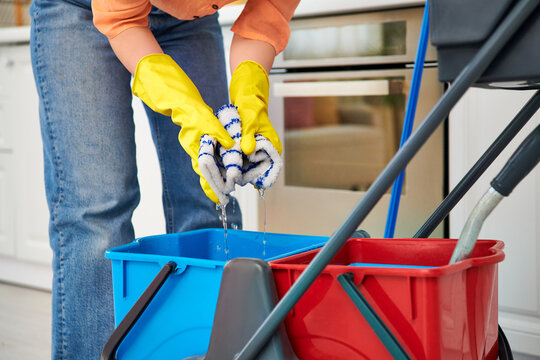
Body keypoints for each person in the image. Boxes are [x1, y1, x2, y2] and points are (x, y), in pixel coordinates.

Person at [29, 0, 299, 358]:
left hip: (190, 21)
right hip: (78, 11)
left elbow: (265, 18)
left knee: (210, 197)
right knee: (96, 216)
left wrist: (251, 90)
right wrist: (182, 105)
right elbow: (121, 18)